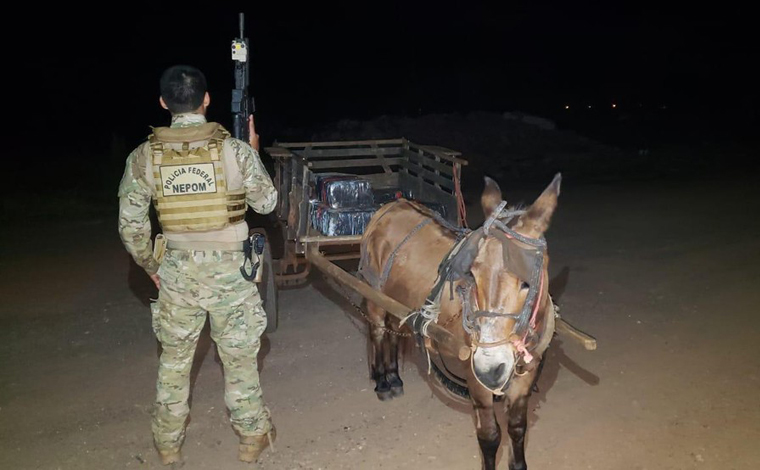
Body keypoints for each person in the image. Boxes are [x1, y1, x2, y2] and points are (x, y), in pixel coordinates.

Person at [117, 65, 278, 465]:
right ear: (207, 100)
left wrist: (149, 265)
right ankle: (251, 438)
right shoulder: (235, 151)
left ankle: (168, 446)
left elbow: (131, 224)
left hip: (176, 274)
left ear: (163, 102)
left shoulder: (144, 157)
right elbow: (267, 204)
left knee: (173, 363)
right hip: (230, 275)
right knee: (238, 359)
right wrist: (253, 153)